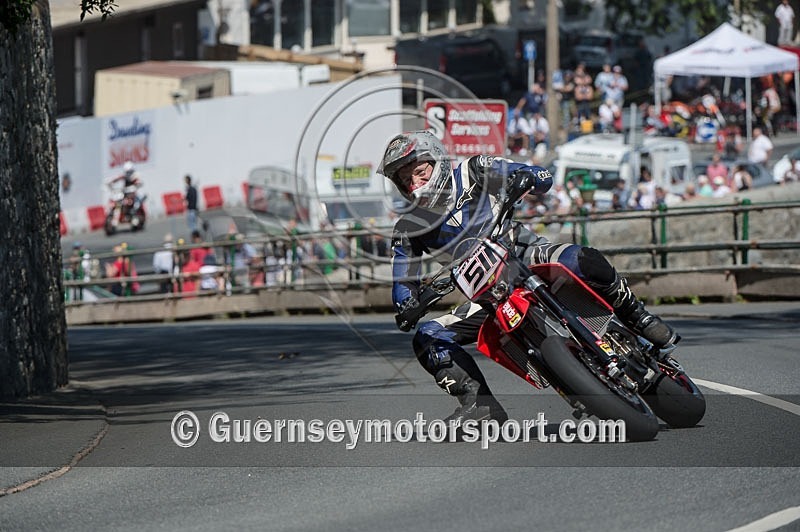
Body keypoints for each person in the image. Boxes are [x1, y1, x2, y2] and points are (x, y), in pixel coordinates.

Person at [378, 130, 678, 424]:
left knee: (581, 259)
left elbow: (536, 175)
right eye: (406, 181)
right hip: (486, 295)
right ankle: (480, 408)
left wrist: (528, 177)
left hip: (526, 254)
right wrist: (407, 305)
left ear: (437, 160)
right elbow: (403, 275)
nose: (415, 184)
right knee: (429, 336)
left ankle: (638, 317)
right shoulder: (409, 226)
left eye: (419, 172)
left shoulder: (473, 169)